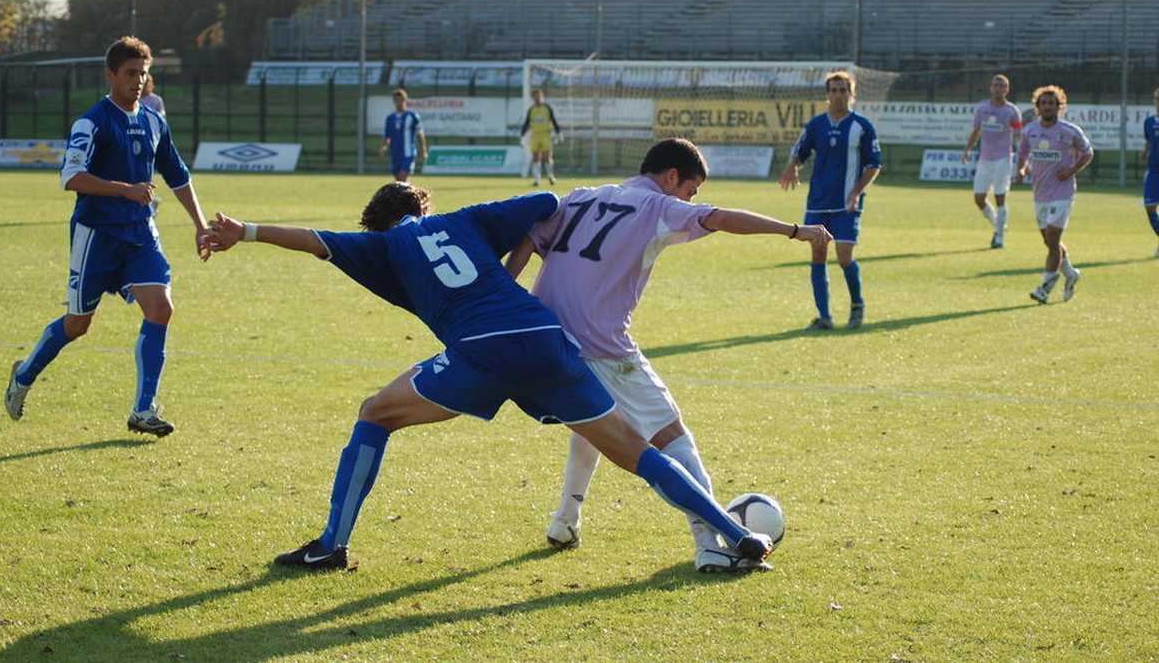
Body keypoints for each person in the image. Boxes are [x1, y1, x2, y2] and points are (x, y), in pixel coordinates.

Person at [204, 183, 774, 572]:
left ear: (377, 223)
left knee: (374, 413)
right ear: (422, 208)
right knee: (635, 451)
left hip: (479, 352)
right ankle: (736, 533)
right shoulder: (464, 219)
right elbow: (547, 200)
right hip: (546, 338)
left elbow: (313, 240)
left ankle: (331, 545)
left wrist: (246, 230)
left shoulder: (381, 246)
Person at [504, 138, 831, 572]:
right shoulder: (656, 206)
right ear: (671, 176)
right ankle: (710, 545)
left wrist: (506, 301)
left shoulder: (581, 197)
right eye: (690, 190)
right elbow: (721, 218)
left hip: (547, 343)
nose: (690, 200)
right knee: (675, 441)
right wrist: (795, 230)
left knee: (593, 423)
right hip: (602, 346)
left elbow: (528, 238)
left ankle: (565, 521)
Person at [3, 37, 211, 436]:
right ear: (111, 74)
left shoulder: (154, 121)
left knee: (161, 308)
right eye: (130, 73)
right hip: (96, 235)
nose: (138, 81)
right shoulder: (92, 121)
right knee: (78, 324)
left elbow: (178, 176)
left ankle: (143, 409)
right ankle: (24, 375)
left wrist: (200, 225)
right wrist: (125, 188)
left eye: (144, 74)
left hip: (139, 234)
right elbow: (71, 177)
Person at [779, 70, 882, 330]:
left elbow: (874, 164)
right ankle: (824, 316)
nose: (838, 95)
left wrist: (857, 191)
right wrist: (792, 166)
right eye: (833, 90)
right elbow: (800, 150)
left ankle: (857, 305)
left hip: (847, 202)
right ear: (828, 94)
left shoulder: (862, 126)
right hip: (818, 201)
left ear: (852, 94)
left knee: (844, 255)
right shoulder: (816, 125)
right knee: (818, 253)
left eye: (843, 90)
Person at [1017, 85, 1093, 304]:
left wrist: (1071, 170)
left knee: (1052, 238)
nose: (1048, 106)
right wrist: (1021, 170)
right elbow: (1022, 154)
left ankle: (1045, 287)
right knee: (1050, 242)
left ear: (1060, 107)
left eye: (1052, 103)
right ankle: (1070, 273)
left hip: (1063, 192)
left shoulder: (1070, 130)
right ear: (1038, 107)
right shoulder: (1030, 130)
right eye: (1044, 103)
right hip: (1040, 193)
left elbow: (1088, 153)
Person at [962, 74, 1022, 249]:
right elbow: (976, 131)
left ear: (1007, 89)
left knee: (1000, 197)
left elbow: (1018, 136)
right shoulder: (982, 109)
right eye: (995, 85)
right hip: (984, 159)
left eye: (1002, 85)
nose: (998, 88)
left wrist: (1023, 159)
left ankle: (999, 238)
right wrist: (967, 150)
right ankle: (999, 224)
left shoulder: (1012, 111)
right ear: (991, 88)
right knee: (979, 198)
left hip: (1003, 159)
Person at [378, 88, 427, 182]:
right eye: (396, 100)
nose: (398, 102)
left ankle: (412, 195)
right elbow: (387, 136)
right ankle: (409, 194)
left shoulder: (412, 116)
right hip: (395, 153)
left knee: (402, 177)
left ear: (405, 100)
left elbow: (420, 133)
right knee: (398, 181)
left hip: (408, 153)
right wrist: (384, 147)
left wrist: (423, 149)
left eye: (401, 100)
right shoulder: (390, 118)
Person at [520, 88, 562, 187]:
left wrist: (559, 133)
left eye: (539, 96)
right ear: (533, 98)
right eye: (535, 96)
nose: (538, 98)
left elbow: (554, 120)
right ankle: (537, 179)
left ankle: (550, 176)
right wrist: (522, 136)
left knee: (547, 157)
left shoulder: (547, 108)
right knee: (536, 157)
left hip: (545, 135)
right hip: (535, 135)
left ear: (542, 97)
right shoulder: (531, 110)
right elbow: (526, 123)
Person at [1141, 86, 1159, 257]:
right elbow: (1148, 141)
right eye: (1156, 98)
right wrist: (1144, 152)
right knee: (1149, 207)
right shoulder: (1149, 122)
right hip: (1154, 171)